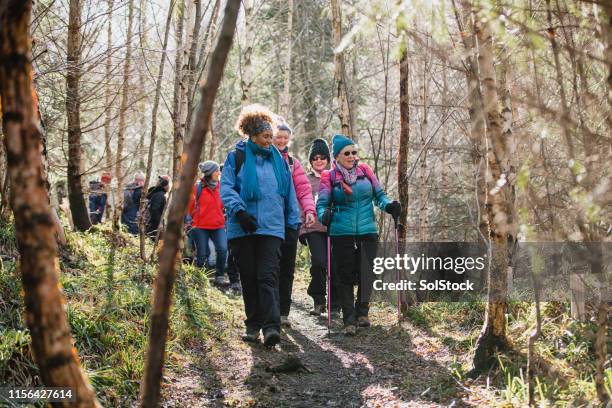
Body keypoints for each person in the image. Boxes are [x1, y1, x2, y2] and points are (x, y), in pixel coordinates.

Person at [220, 104, 300, 347]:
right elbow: (226, 187)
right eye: (265, 136)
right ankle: (253, 325)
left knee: (268, 276)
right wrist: (240, 211)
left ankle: (271, 327)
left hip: (272, 228)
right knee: (250, 277)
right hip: (242, 228)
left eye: (271, 136)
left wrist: (292, 223)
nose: (269, 141)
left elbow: (289, 194)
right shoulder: (237, 157)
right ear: (252, 135)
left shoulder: (279, 161)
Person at [316, 134, 401, 336]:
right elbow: (321, 204)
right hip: (341, 231)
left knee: (367, 273)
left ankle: (363, 312)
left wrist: (389, 205)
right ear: (337, 156)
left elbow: (379, 196)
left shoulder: (366, 171)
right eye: (347, 153)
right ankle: (349, 319)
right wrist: (323, 215)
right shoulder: (329, 176)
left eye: (354, 152)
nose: (352, 156)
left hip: (367, 230)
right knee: (344, 276)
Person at [272, 121, 316, 327]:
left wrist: (309, 210)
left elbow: (304, 190)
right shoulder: (264, 159)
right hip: (268, 223)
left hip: (290, 222)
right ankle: (270, 310)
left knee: (287, 268)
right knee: (270, 267)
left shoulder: (293, 163)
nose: (281, 140)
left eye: (285, 137)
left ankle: (283, 313)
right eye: (278, 136)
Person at [299, 138, 340, 316]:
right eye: (315, 158)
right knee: (319, 262)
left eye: (322, 157)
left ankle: (336, 304)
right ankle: (318, 299)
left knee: (336, 265)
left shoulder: (336, 177)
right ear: (311, 161)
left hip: (335, 228)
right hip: (313, 228)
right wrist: (301, 229)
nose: (319, 161)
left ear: (328, 159)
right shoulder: (306, 180)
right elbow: (300, 204)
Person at [187, 161, 229, 287]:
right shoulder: (197, 187)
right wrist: (194, 217)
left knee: (223, 249)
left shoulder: (222, 187)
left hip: (218, 225)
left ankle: (219, 276)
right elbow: (189, 207)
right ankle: (199, 278)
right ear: (210, 173)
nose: (219, 173)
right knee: (202, 254)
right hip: (200, 226)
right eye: (217, 171)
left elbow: (226, 204)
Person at [145, 175, 170, 239]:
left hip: (150, 225)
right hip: (153, 227)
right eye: (168, 184)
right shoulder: (159, 195)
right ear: (165, 185)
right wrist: (160, 223)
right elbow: (154, 210)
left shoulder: (155, 193)